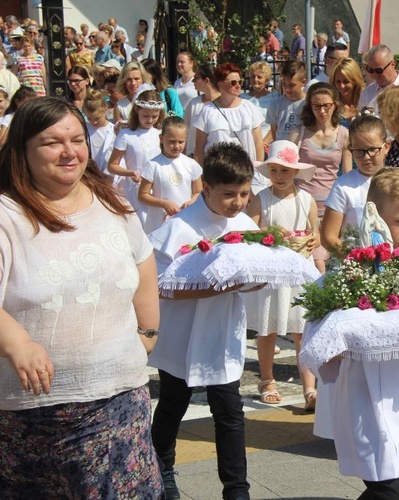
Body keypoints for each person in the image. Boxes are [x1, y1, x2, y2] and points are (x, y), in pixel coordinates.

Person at [0, 96, 163, 497]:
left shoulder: (112, 200)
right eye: (52, 142)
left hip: (122, 403)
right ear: (23, 149)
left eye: (77, 139)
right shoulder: (7, 216)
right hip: (34, 418)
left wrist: (147, 334)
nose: (69, 151)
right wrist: (17, 342)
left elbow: (143, 267)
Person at [319, 167, 399, 500]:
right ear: (374, 217)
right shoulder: (347, 276)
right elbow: (320, 343)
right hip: (365, 395)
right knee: (386, 492)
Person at [148, 142, 256, 500]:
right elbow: (159, 286)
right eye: (228, 194)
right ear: (206, 188)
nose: (237, 202)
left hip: (223, 330)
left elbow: (255, 273)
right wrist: (210, 287)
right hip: (182, 331)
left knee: (229, 410)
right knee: (174, 402)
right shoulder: (178, 228)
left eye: (244, 192)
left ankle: (236, 490)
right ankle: (161, 466)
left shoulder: (244, 224)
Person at [245, 140, 319, 408]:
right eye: (274, 170)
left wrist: (313, 240)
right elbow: (250, 231)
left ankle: (309, 387)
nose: (279, 176)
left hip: (298, 270)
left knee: (302, 329)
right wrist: (267, 237)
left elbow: (315, 231)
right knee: (269, 328)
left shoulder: (306, 199)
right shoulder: (262, 198)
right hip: (272, 272)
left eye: (285, 171)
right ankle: (266, 379)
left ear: (296, 172)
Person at [289, 82, 352, 271]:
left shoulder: (344, 134)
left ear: (335, 105)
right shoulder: (299, 133)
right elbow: (288, 170)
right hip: (305, 203)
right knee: (315, 261)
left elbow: (347, 173)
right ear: (310, 106)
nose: (322, 111)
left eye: (327, 105)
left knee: (332, 259)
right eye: (317, 106)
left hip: (333, 204)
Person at [322, 112, 390, 257]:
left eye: (372, 149)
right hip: (354, 262)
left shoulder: (397, 181)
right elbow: (328, 237)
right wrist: (358, 258)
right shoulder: (344, 186)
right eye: (358, 151)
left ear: (386, 146)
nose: (366, 157)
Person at [193, 62, 266, 193]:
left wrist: (257, 172)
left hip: (246, 175)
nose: (238, 85)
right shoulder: (207, 111)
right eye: (233, 82)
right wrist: (202, 177)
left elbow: (258, 144)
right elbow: (199, 149)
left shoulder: (249, 108)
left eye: (240, 81)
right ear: (220, 84)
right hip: (217, 175)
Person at [108, 88, 165, 229]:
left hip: (157, 187)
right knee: (139, 226)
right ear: (137, 111)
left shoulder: (160, 133)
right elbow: (112, 165)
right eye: (145, 116)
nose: (150, 120)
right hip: (134, 189)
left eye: (154, 116)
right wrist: (131, 173)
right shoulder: (126, 135)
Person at [138, 116, 203, 233]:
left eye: (181, 142)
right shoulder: (153, 165)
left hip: (185, 217)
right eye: (172, 142)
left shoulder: (191, 164)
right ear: (162, 139)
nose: (177, 146)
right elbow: (142, 195)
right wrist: (164, 203)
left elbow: (199, 191)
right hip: (158, 220)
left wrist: (191, 202)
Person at [185, 64, 220, 157]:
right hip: (193, 156)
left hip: (217, 158)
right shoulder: (194, 103)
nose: (193, 81)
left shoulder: (224, 103)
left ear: (206, 81)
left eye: (196, 78)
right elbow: (185, 131)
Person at [267, 60, 306, 143]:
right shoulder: (275, 104)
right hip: (282, 148)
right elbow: (274, 129)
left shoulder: (308, 103)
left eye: (292, 85)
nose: (287, 89)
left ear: (303, 82)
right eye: (284, 83)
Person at [83, 89, 116, 176]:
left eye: (97, 118)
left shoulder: (114, 130)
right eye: (89, 118)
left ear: (105, 109)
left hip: (108, 176)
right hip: (89, 175)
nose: (94, 122)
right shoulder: (84, 130)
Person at [245, 61, 277, 145]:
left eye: (259, 77)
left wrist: (263, 143)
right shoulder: (242, 98)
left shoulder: (274, 97)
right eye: (253, 76)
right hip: (247, 142)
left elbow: (276, 124)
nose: (255, 80)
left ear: (266, 79)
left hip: (267, 143)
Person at [330, 57, 364, 126]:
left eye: (346, 81)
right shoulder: (331, 103)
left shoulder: (366, 99)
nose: (342, 86)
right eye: (338, 81)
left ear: (355, 81)